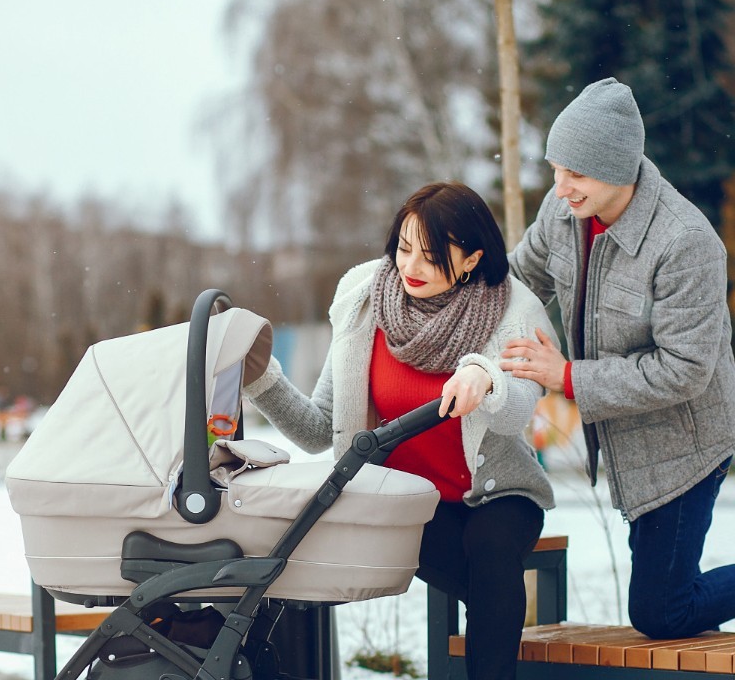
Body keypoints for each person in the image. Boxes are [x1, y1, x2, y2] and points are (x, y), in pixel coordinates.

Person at [244, 181, 556, 680]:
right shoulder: (364, 302)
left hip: (498, 496)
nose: (410, 267)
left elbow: (518, 409)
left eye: (431, 256)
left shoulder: (512, 310)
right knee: (490, 586)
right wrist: (260, 378)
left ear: (472, 258)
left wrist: (487, 376)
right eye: (404, 248)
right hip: (407, 502)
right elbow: (319, 428)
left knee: (492, 553)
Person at [501, 77, 735, 639]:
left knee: (662, 612)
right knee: (658, 597)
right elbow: (514, 281)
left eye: (575, 174)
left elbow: (685, 369)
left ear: (618, 169)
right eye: (556, 169)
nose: (560, 188)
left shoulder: (685, 242)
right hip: (626, 440)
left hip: (686, 445)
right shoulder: (563, 216)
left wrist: (566, 376)